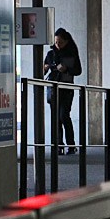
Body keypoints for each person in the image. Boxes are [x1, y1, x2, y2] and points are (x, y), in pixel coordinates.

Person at [44, 27, 81, 155]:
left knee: (64, 115)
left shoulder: (71, 53)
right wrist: (46, 67)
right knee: (55, 118)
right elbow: (43, 70)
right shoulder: (51, 54)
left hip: (66, 87)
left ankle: (71, 145)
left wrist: (66, 69)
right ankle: (58, 145)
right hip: (53, 88)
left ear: (66, 41)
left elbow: (78, 70)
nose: (57, 45)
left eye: (60, 42)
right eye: (56, 42)